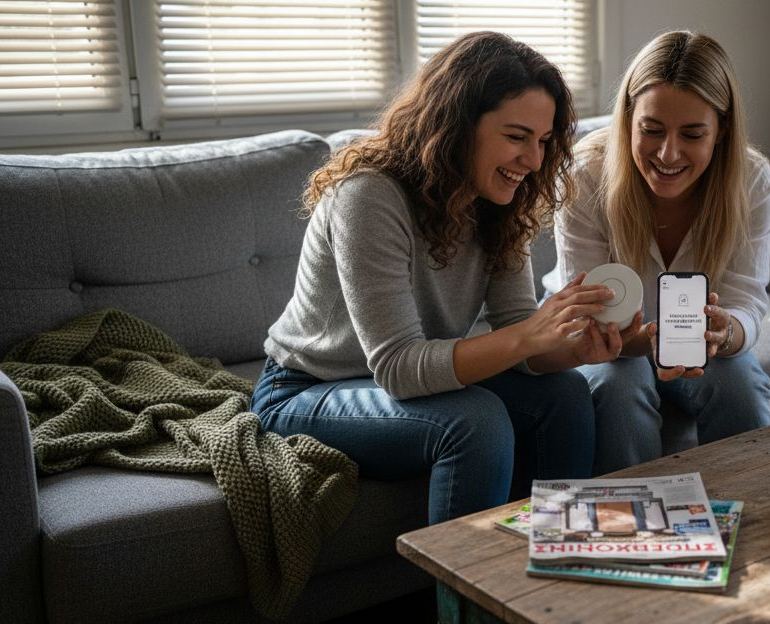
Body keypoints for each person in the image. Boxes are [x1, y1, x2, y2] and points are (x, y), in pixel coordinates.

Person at [253, 31, 622, 525]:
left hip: (397, 383)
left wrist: (576, 349)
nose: (533, 161)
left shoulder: (499, 203)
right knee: (477, 422)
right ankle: (466, 601)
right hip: (306, 390)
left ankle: (556, 565)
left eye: (543, 141)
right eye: (516, 137)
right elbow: (400, 369)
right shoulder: (368, 196)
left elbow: (518, 328)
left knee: (566, 394)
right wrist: (529, 334)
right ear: (457, 124)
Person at [544, 30, 770, 474]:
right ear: (628, 118)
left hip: (698, 340)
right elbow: (588, 319)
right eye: (651, 130)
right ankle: (633, 525)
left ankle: (747, 515)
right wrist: (652, 341)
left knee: (741, 384)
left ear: (721, 131)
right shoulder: (585, 174)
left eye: (692, 134)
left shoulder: (752, 180)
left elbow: (747, 299)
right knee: (618, 386)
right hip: (602, 338)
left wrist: (724, 335)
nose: (669, 153)